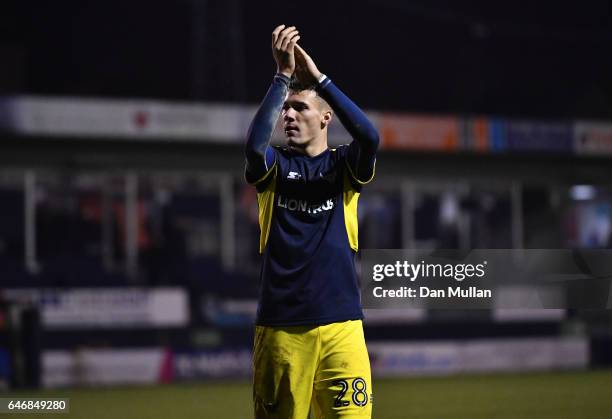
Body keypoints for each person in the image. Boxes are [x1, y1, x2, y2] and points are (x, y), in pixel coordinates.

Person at [245, 24, 379, 419]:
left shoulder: (342, 167)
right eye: (285, 108)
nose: (288, 114)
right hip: (281, 331)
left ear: (325, 119)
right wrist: (282, 77)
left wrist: (320, 79)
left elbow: (369, 138)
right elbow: (254, 147)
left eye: (299, 107)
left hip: (342, 328)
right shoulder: (274, 168)